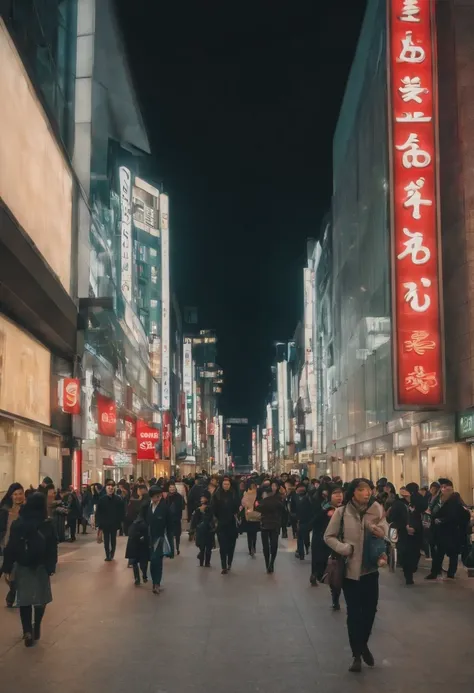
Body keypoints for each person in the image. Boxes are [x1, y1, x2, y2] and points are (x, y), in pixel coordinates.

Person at [324, 478, 388, 673]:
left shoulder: (376, 508)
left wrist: (380, 531)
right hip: (350, 572)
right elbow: (328, 536)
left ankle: (362, 644)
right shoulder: (342, 513)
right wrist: (344, 548)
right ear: (353, 492)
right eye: (361, 490)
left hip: (370, 569)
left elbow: (385, 528)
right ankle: (357, 655)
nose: (366, 493)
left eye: (368, 489)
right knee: (354, 614)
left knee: (370, 612)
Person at [2, 492, 57, 647]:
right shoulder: (47, 523)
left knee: (24, 599)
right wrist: (51, 566)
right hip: (41, 566)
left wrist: (6, 568)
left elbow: (11, 547)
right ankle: (36, 625)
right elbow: (52, 547)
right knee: (41, 599)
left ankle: (27, 630)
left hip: (22, 565)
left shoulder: (19, 522)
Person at [425, 479, 470, 580]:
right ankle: (435, 572)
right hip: (440, 531)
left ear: (451, 488)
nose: (443, 489)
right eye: (442, 487)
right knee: (438, 553)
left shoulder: (455, 499)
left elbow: (455, 515)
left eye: (445, 487)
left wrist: (442, 520)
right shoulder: (438, 498)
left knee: (452, 553)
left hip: (452, 531)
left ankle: (451, 573)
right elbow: (433, 509)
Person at [310, 483, 345, 610]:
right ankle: (335, 597)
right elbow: (314, 524)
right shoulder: (324, 509)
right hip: (330, 546)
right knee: (335, 573)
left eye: (340, 494)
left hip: (346, 545)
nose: (339, 496)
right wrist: (325, 513)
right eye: (336, 494)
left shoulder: (347, 509)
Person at [387, 483, 427, 585]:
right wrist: (405, 526)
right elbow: (392, 518)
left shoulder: (417, 502)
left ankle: (411, 568)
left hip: (416, 533)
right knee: (406, 554)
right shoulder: (399, 504)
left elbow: (423, 509)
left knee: (416, 553)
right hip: (403, 534)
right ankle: (408, 575)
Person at [141, 486, 174, 594]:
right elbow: (142, 520)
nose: (158, 499)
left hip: (159, 538)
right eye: (156, 497)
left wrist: (171, 546)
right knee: (151, 561)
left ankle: (156, 583)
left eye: (159, 496)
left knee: (157, 560)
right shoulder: (146, 507)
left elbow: (169, 527)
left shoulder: (165, 508)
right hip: (148, 538)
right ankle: (153, 581)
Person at [0, 483, 25, 607]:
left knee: (15, 572)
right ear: (11, 496)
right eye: (15, 494)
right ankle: (12, 591)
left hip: (21, 546)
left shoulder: (26, 510)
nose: (18, 497)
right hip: (6, 546)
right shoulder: (5, 511)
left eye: (20, 493)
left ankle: (13, 595)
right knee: (8, 574)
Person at [212, 477, 240, 574]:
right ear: (221, 485)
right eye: (224, 484)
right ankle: (223, 565)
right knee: (223, 546)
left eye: (228, 484)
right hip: (221, 524)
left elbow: (237, 507)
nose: (226, 486)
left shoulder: (234, 494)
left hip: (232, 523)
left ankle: (229, 562)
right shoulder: (217, 495)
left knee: (231, 545)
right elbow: (214, 508)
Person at [256, 484, 284, 574]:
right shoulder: (278, 501)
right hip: (275, 524)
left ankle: (267, 563)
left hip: (265, 525)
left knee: (265, 545)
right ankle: (272, 563)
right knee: (274, 544)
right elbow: (283, 511)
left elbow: (257, 509)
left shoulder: (263, 502)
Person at [96, 481, 125, 561]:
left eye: (112, 488)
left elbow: (121, 511)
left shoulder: (118, 499)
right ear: (106, 489)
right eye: (109, 488)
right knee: (106, 540)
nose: (110, 489)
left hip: (114, 523)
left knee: (113, 539)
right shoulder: (102, 500)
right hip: (105, 524)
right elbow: (99, 512)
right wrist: (99, 524)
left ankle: (112, 553)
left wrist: (121, 522)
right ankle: (107, 554)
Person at [190, 495, 216, 567]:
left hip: (207, 530)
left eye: (203, 498)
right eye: (201, 498)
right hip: (202, 531)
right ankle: (202, 561)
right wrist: (192, 531)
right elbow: (194, 521)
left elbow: (212, 519)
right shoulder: (198, 509)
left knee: (207, 548)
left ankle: (207, 562)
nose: (202, 499)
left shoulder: (210, 509)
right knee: (202, 547)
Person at [125, 516, 149, 586]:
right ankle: (144, 575)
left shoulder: (133, 523)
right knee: (143, 560)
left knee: (134, 561)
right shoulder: (144, 523)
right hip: (142, 542)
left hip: (133, 541)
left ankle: (137, 578)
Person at [292, 483, 313, 560]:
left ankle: (303, 551)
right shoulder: (308, 497)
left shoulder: (307, 498)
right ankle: (302, 552)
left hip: (303, 520)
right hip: (303, 520)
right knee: (302, 536)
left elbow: (292, 509)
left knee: (301, 537)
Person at [241, 480, 260, 557]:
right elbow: (243, 503)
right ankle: (250, 548)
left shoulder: (258, 493)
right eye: (251, 485)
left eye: (254, 485)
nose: (253, 487)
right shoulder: (245, 493)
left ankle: (254, 546)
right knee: (249, 533)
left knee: (254, 533)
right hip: (248, 515)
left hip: (255, 515)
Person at [166, 482, 185, 555]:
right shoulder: (167, 496)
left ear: (175, 488)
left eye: (173, 487)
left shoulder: (179, 496)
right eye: (170, 487)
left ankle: (177, 548)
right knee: (169, 534)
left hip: (177, 518)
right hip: (169, 518)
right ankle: (170, 549)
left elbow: (182, 506)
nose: (172, 489)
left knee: (177, 534)